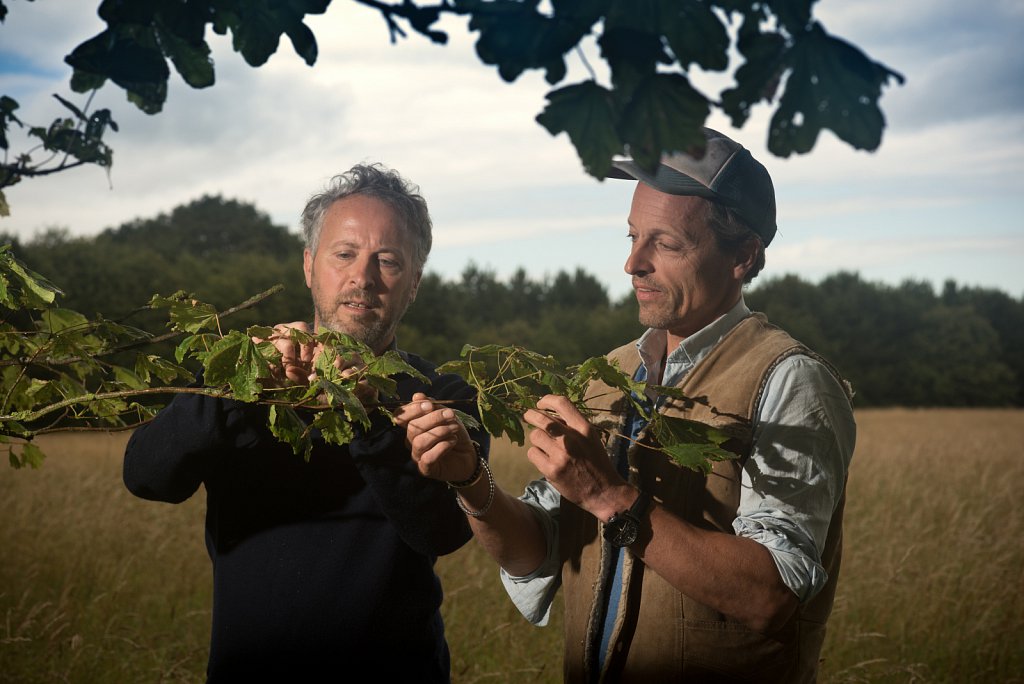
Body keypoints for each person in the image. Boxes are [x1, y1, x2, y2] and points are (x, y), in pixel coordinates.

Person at [398, 129, 856, 682]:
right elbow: (536, 554)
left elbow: (773, 594)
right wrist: (470, 478)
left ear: (742, 255)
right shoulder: (607, 376)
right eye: (633, 236)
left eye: (665, 244)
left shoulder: (789, 380)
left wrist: (608, 495)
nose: (632, 263)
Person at [123, 163, 489, 682]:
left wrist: (369, 411)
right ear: (309, 265)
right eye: (344, 255)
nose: (362, 278)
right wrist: (239, 391)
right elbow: (147, 477)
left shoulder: (444, 397)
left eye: (387, 261)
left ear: (413, 285)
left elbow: (442, 532)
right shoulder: (241, 376)